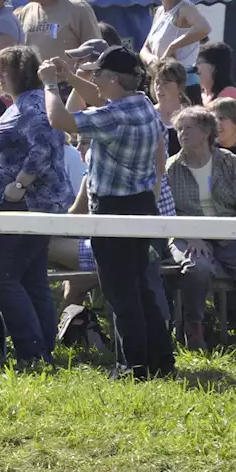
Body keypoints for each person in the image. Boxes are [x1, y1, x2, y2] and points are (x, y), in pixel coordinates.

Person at [43, 45, 174, 379]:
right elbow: (100, 97)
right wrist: (70, 76)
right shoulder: (142, 104)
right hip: (143, 205)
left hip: (113, 209)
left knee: (120, 292)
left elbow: (59, 120)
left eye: (98, 74)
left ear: (114, 78)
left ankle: (133, 367)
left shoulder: (113, 116)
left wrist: (49, 85)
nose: (93, 80)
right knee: (142, 288)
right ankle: (160, 362)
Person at [0, 46, 72, 367]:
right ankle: (42, 352)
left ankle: (32, 354)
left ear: (22, 71)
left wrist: (19, 185)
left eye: (5, 69)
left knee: (0, 277)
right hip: (34, 208)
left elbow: (47, 143)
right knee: (32, 281)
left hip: (22, 208)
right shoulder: (22, 105)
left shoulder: (31, 104)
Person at [164, 106, 236, 349]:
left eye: (188, 128)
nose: (182, 133)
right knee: (198, 268)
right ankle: (194, 329)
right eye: (179, 129)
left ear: (206, 132)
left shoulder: (230, 162)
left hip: (229, 232)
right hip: (187, 233)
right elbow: (167, 210)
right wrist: (189, 235)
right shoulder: (171, 167)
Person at [12, 0, 99, 80]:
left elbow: (94, 53)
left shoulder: (78, 9)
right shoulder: (27, 11)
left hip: (68, 88)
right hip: (34, 88)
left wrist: (79, 88)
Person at [139, 0, 209, 81]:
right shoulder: (159, 12)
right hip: (162, 80)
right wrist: (152, 60)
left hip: (184, 82)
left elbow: (204, 28)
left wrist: (173, 47)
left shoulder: (184, 7)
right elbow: (145, 48)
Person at [197, 42, 236, 117]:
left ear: (214, 67)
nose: (195, 67)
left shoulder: (230, 95)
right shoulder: (202, 95)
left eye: (199, 62)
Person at [149, 57, 187, 156]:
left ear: (180, 86)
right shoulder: (147, 116)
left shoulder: (191, 118)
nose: (159, 88)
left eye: (165, 83)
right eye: (157, 82)